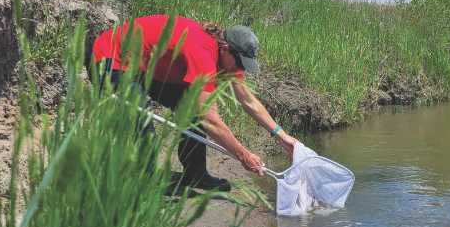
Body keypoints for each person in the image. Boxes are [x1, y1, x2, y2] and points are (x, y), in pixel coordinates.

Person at [90, 14, 301, 192]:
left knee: (191, 112)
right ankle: (143, 189)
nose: (241, 68)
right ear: (226, 48)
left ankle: (196, 175)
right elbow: (211, 120)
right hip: (111, 58)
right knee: (143, 128)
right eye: (239, 63)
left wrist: (282, 136)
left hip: (148, 67)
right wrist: (243, 155)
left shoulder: (226, 57)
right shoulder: (202, 53)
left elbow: (248, 101)